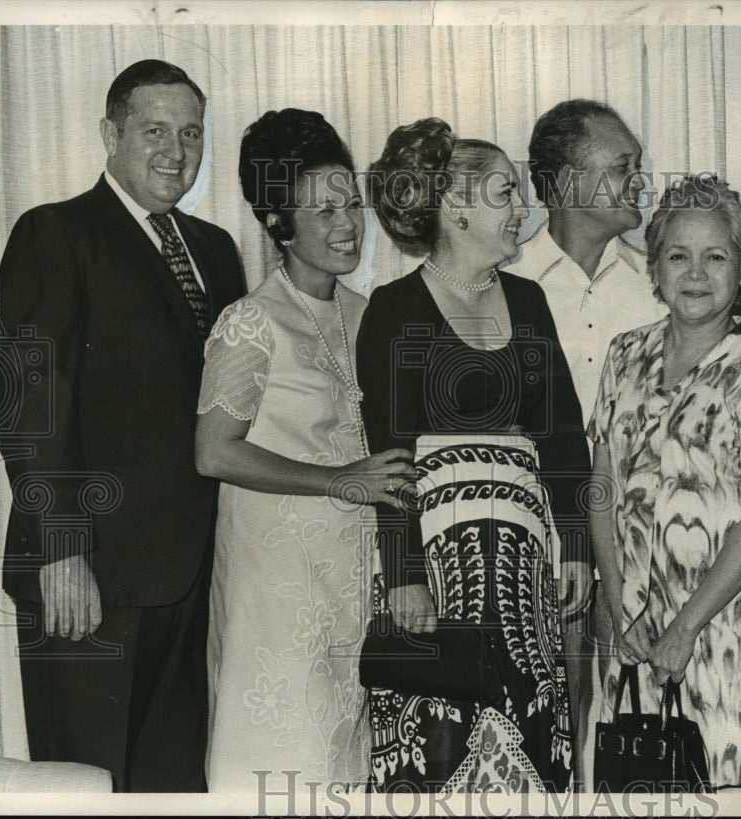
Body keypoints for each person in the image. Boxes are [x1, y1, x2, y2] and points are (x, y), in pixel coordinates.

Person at [0, 59, 246, 791]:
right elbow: (33, 403)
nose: (176, 151)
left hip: (192, 578)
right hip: (89, 577)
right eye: (154, 130)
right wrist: (63, 548)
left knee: (171, 786)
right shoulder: (58, 232)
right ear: (110, 134)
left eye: (191, 133)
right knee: (89, 786)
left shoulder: (216, 249)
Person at [358, 117, 590, 792]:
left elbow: (564, 436)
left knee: (529, 748)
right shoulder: (393, 309)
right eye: (504, 192)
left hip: (524, 572)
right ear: (455, 208)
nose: (522, 208)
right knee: (440, 749)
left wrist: (572, 542)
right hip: (434, 569)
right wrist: (404, 573)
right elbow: (388, 458)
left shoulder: (530, 299)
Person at [193, 109, 417, 791]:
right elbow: (214, 452)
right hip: (276, 596)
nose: (349, 221)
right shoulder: (251, 321)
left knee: (342, 769)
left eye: (351, 202)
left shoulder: (369, 313)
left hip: (349, 589)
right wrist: (340, 479)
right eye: (324, 209)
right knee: (278, 766)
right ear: (278, 224)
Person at [589, 175, 741, 789]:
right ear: (654, 268)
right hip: (632, 630)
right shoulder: (624, 355)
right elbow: (601, 486)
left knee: (718, 787)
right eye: (678, 256)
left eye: (716, 257)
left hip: (721, 630)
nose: (696, 273)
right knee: (633, 786)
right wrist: (613, 599)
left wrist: (683, 630)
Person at [506, 99, 668, 787]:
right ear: (568, 183)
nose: (642, 182)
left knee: (629, 734)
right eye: (623, 167)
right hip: (538, 548)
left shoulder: (663, 285)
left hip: (645, 553)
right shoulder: (503, 284)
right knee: (540, 732)